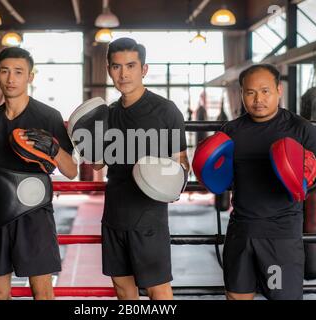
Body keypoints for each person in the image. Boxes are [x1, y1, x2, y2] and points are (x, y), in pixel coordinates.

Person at [0, 47, 77, 300]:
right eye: (5, 71)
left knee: (41, 290)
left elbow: (71, 171)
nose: (11, 78)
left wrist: (54, 149)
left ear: (30, 77)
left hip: (34, 214)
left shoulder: (48, 116)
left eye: (18, 72)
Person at [220, 64, 316, 300]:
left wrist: (313, 173)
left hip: (279, 239)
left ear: (278, 90)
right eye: (250, 92)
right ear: (241, 93)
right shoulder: (231, 131)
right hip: (240, 233)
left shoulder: (301, 130)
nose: (258, 99)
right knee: (236, 297)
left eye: (265, 91)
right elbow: (222, 180)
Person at [93, 38, 189, 300]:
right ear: (109, 69)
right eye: (116, 66)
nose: (123, 74)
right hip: (113, 215)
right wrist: (83, 137)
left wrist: (160, 178)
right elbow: (97, 163)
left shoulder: (165, 111)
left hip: (149, 218)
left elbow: (182, 165)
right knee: (123, 289)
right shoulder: (107, 113)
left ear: (143, 69)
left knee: (158, 290)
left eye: (131, 66)